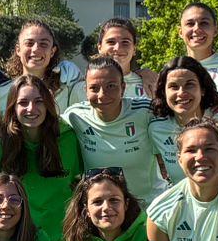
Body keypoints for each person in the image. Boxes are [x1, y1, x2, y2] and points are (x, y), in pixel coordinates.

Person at [0, 75, 82, 241]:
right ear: (13, 107)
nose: (31, 109)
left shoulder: (68, 137)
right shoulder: (0, 143)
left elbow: (77, 184)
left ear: (48, 104)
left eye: (38, 101)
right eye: (23, 102)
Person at [63, 57, 162, 205]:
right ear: (85, 90)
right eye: (94, 88)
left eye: (111, 86)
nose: (102, 95)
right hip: (104, 212)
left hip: (147, 207)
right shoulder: (75, 116)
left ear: (123, 88)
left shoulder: (146, 110)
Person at [148, 56, 218, 188]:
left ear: (203, 89)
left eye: (189, 85)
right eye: (173, 87)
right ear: (163, 92)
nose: (181, 93)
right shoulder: (157, 128)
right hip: (187, 206)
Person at [0, 20, 83, 114]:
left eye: (43, 44)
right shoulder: (1, 94)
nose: (36, 49)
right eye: (29, 43)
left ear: (52, 51)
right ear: (18, 50)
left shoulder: (68, 84)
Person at [176, 2, 218, 104]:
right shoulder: (171, 73)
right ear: (181, 32)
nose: (197, 29)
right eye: (190, 24)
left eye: (204, 23)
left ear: (216, 30)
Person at [92, 16, 158, 102]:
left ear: (134, 49)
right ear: (99, 48)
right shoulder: (82, 88)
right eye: (111, 42)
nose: (118, 48)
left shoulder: (151, 85)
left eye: (125, 42)